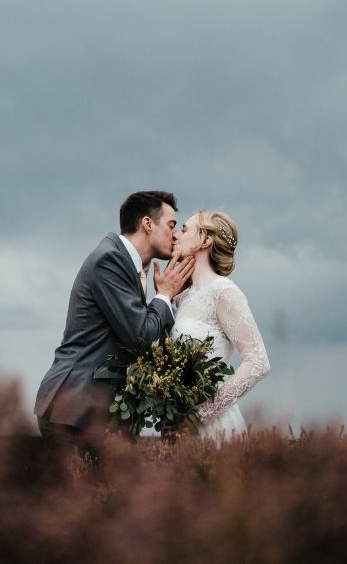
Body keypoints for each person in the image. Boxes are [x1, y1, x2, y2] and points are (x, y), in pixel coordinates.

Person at [34, 191, 195, 450]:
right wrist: (164, 295)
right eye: (172, 225)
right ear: (147, 223)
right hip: (73, 412)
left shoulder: (131, 266)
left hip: (93, 415)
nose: (175, 235)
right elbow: (141, 336)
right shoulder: (109, 260)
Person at [171, 209, 270, 441]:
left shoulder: (223, 291)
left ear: (205, 240)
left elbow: (258, 361)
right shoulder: (180, 298)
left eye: (184, 229)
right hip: (176, 427)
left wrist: (201, 415)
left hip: (215, 429)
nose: (175, 234)